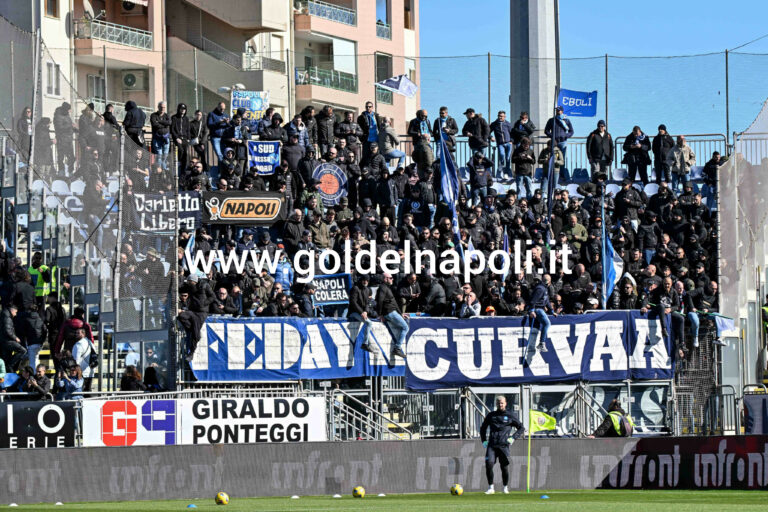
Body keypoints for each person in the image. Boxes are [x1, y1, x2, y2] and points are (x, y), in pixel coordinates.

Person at [479, 395, 525, 494]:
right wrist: (483, 440)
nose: (500, 405)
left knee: (504, 467)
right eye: (499, 403)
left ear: (505, 403)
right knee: (489, 464)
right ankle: (491, 488)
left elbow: (521, 428)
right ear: (496, 404)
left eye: (502, 403)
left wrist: (513, 438)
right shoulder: (491, 415)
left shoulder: (510, 415)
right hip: (492, 445)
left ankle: (505, 487)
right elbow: (483, 428)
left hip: (504, 446)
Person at [376, 273, 408, 359]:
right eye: (390, 278)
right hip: (389, 312)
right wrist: (380, 314)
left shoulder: (387, 288)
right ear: (385, 279)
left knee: (405, 325)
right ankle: (397, 348)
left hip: (393, 311)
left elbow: (394, 302)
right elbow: (380, 301)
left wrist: (400, 313)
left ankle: (397, 348)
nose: (392, 279)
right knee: (405, 327)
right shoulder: (382, 288)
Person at [544, 106, 574, 182]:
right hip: (554, 143)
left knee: (561, 159)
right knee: (553, 158)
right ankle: (553, 175)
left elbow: (571, 131)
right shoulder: (552, 120)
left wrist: (566, 136)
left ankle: (562, 175)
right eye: (557, 110)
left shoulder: (566, 120)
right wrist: (552, 136)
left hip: (563, 142)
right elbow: (546, 131)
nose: (558, 112)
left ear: (562, 111)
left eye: (559, 110)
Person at [348, 275, 375, 353]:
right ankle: (365, 344)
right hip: (354, 312)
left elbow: (367, 303)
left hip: (362, 313)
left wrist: (365, 311)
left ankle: (367, 343)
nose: (365, 282)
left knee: (369, 323)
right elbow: (353, 302)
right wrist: (361, 312)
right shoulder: (355, 288)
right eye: (364, 280)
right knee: (369, 323)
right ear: (361, 280)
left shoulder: (367, 289)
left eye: (367, 280)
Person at [526, 278, 552, 354]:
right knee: (547, 323)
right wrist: (531, 310)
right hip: (537, 309)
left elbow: (546, 301)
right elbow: (533, 301)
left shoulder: (544, 289)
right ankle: (542, 343)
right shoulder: (540, 289)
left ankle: (540, 343)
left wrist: (551, 310)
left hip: (540, 309)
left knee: (542, 325)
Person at [0, 304, 25, 372]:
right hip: (7, 341)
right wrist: (15, 338)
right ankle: (10, 365)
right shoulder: (7, 317)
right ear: (12, 310)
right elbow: (7, 330)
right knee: (23, 350)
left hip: (4, 340)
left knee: (6, 359)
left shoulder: (5, 315)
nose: (15, 314)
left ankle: (9, 368)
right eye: (15, 312)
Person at [489, 111, 514, 179]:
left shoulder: (508, 124)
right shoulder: (494, 124)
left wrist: (511, 141)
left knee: (508, 158)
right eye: (499, 116)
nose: (500, 117)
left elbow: (512, 133)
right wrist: (490, 137)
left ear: (504, 117)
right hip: (500, 144)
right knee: (502, 156)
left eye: (502, 116)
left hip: (508, 143)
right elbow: (487, 131)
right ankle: (501, 171)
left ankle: (508, 172)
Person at [207, 101, 230, 170]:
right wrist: (219, 122)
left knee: (224, 155)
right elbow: (209, 125)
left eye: (223, 109)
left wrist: (227, 123)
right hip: (215, 137)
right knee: (219, 155)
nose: (222, 110)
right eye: (221, 109)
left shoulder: (226, 115)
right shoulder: (212, 114)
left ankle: (221, 171)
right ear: (218, 107)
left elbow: (229, 127)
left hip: (223, 138)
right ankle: (223, 169)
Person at [71, 327, 95, 392]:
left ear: (83, 334)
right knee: (88, 391)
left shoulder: (78, 345)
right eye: (76, 333)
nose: (76, 334)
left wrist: (75, 372)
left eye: (78, 333)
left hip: (82, 372)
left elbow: (76, 360)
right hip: (91, 371)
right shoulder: (90, 342)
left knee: (80, 392)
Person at [170, 103, 191, 173]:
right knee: (180, 151)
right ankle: (178, 163)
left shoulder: (186, 119)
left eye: (184, 109)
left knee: (185, 154)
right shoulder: (174, 118)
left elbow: (188, 129)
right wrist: (176, 138)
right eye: (181, 109)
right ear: (179, 109)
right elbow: (172, 129)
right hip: (177, 138)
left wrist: (188, 139)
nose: (183, 110)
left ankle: (183, 170)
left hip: (185, 138)